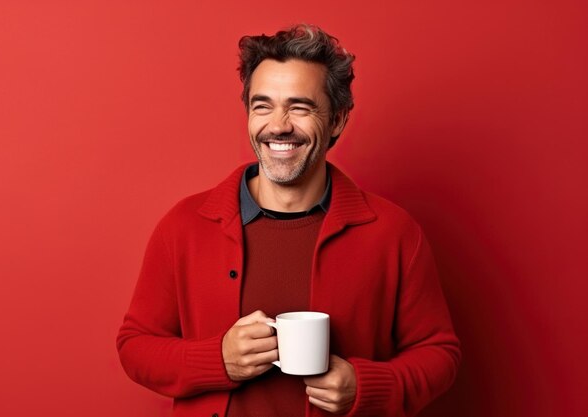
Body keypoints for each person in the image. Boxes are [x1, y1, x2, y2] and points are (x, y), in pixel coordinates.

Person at [117, 24, 460, 417]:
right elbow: (135, 346)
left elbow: (440, 354)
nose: (278, 125)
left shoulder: (393, 232)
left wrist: (366, 387)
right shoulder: (184, 226)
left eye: (299, 107)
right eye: (262, 105)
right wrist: (217, 360)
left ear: (337, 121)